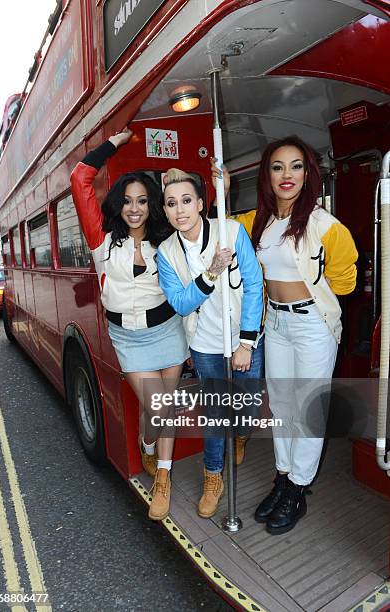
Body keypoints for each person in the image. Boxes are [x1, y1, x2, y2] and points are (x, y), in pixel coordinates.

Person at [210, 136, 358, 534]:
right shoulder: (258, 221)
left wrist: (314, 284)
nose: (287, 174)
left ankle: (297, 488)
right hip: (274, 324)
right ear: (268, 175)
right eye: (278, 167)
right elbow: (220, 232)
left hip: (312, 325)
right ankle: (283, 475)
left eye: (296, 166)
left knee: (308, 408)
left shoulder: (325, 225)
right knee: (280, 405)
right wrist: (221, 193)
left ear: (308, 173)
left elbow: (346, 281)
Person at [70, 129, 188, 521]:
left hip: (168, 330)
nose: (134, 209)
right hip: (129, 338)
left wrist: (182, 178)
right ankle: (149, 448)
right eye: (127, 201)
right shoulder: (101, 240)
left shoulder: (167, 238)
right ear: (117, 204)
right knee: (156, 407)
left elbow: (194, 215)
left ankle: (163, 477)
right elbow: (79, 178)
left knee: (163, 407)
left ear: (151, 204)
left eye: (142, 201)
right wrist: (115, 144)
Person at [157, 169, 264, 519]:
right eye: (172, 204)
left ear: (202, 204)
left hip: (243, 338)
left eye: (187, 201)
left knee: (247, 403)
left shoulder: (230, 232)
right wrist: (212, 272)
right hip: (205, 344)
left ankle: (243, 434)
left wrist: (246, 343)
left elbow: (253, 284)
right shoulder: (166, 252)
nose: (180, 210)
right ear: (166, 210)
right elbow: (181, 303)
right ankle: (213, 476)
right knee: (216, 413)